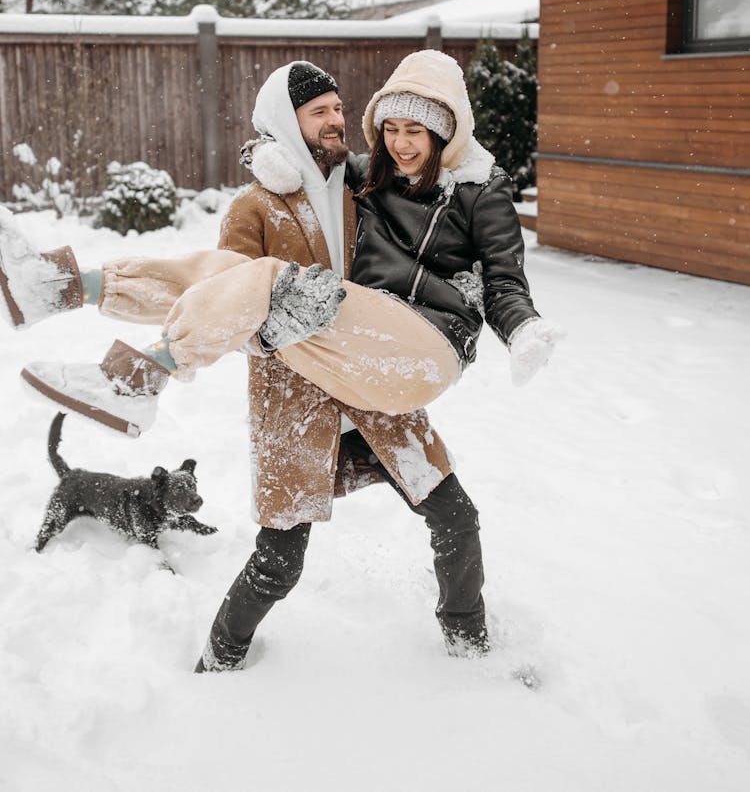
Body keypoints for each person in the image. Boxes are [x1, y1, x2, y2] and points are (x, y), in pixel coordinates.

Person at [2, 52, 561, 666]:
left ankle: (468, 640)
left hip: (373, 382)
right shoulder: (254, 207)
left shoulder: (358, 187)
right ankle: (220, 657)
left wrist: (498, 306)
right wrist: (274, 325)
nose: (336, 121)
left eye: (339, 109)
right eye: (319, 112)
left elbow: (454, 233)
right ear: (285, 123)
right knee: (279, 559)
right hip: (297, 399)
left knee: (456, 519)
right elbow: (218, 300)